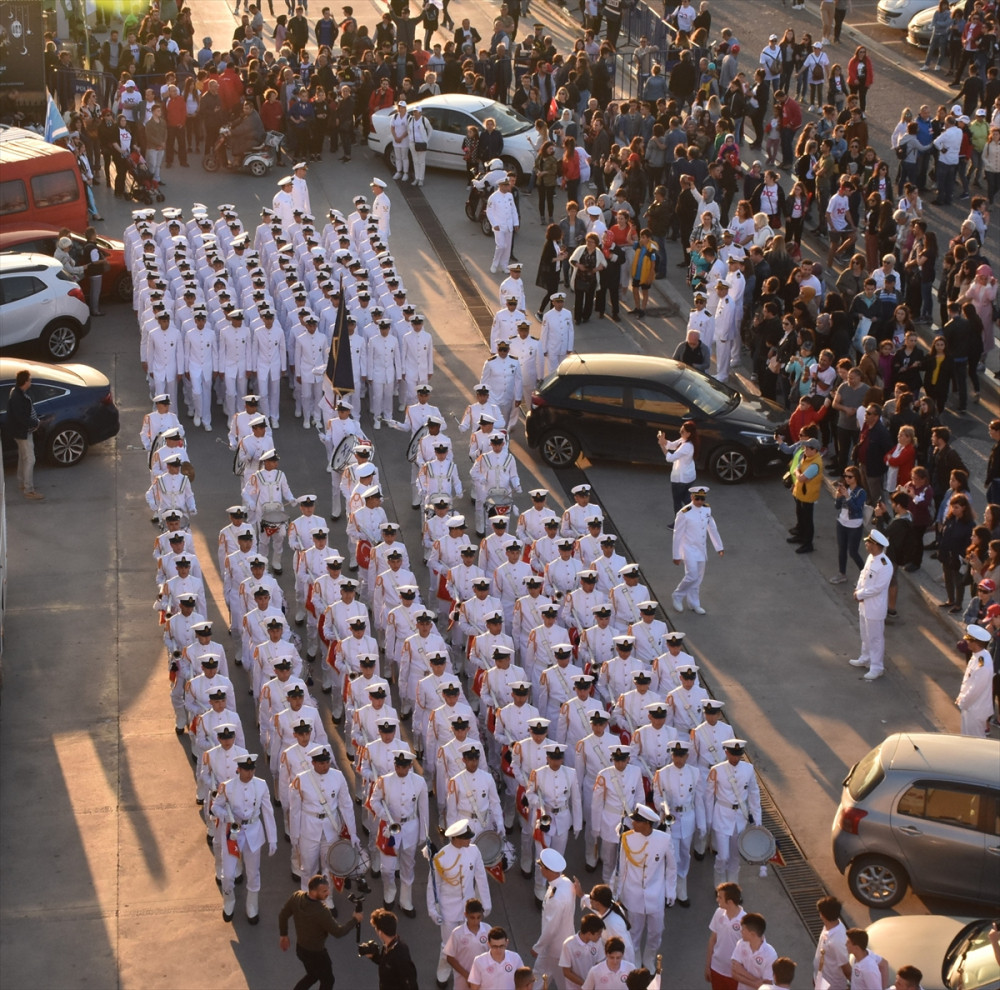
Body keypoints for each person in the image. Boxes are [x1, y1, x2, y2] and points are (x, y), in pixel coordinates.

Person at [612, 805, 676, 970]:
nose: (633, 823)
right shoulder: (627, 838)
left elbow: (671, 867)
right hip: (633, 895)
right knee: (634, 932)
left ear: (647, 824)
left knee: (656, 932)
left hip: (656, 894)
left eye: (637, 821)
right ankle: (635, 958)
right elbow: (621, 867)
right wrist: (616, 892)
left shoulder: (664, 839)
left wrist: (670, 891)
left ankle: (649, 957)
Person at [278, 875, 364, 990]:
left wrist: (284, 935)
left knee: (312, 975)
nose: (328, 893)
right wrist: (355, 920)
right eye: (324, 891)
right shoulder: (322, 912)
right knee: (328, 981)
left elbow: (283, 915)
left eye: (328, 889)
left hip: (301, 950)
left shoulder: (296, 897)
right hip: (317, 954)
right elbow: (338, 932)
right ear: (313, 892)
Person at [708, 738, 761, 886]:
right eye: (733, 754)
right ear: (726, 752)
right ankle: (720, 884)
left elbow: (754, 794)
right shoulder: (717, 770)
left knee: (735, 856)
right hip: (722, 815)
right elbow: (708, 797)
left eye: (738, 754)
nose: (735, 758)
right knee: (723, 856)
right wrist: (708, 819)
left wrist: (758, 820)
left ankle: (733, 886)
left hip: (740, 818)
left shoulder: (748, 769)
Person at [671, 485, 724, 615]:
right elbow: (677, 534)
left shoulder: (707, 509)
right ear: (692, 497)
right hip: (688, 548)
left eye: (702, 499)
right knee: (692, 575)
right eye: (697, 498)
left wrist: (719, 547)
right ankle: (677, 595)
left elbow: (712, 528)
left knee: (698, 578)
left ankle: (694, 603)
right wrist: (676, 555)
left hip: (701, 549)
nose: (700, 501)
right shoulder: (684, 513)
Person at [848, 531, 894, 681]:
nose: (866, 544)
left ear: (875, 545)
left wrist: (860, 594)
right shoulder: (871, 557)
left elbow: (878, 588)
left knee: (875, 638)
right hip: (864, 604)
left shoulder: (885, 565)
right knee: (865, 634)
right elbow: (863, 575)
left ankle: (877, 667)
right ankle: (865, 657)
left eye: (868, 542)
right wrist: (858, 589)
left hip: (875, 607)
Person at [532, 847, 577, 990]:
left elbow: (551, 928)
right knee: (558, 979)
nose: (540, 869)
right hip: (565, 941)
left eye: (541, 866)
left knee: (543, 976)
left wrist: (538, 947)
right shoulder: (566, 882)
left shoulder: (556, 898)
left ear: (548, 870)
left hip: (553, 947)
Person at [361, 908, 419, 990]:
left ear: (380, 932)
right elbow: (386, 963)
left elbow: (410, 982)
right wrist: (373, 957)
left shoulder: (400, 955)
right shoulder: (388, 945)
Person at [8, 369, 44, 500]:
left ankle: (22, 483)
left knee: (23, 457)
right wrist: (36, 422)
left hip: (19, 432)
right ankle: (29, 490)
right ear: (25, 382)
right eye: (30, 380)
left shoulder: (14, 392)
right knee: (30, 459)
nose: (31, 382)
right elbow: (21, 418)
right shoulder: (20, 398)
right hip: (23, 432)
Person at [705, 882, 746, 990]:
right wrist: (708, 966)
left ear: (730, 902)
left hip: (734, 974)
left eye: (720, 897)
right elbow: (712, 940)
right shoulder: (718, 912)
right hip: (716, 968)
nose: (717, 900)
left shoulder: (745, 921)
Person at [830, 467, 867, 585]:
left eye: (849, 477)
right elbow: (837, 507)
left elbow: (856, 509)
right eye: (845, 476)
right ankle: (842, 574)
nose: (846, 479)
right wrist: (838, 496)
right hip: (842, 522)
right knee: (842, 549)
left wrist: (847, 496)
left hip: (854, 525)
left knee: (853, 552)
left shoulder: (861, 492)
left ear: (856, 478)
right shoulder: (844, 489)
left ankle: (865, 577)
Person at [957, 624, 995, 737]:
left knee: (974, 741)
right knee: (966, 739)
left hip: (974, 710)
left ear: (976, 643)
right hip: (971, 707)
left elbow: (975, 690)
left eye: (969, 640)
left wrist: (962, 703)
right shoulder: (979, 656)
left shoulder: (983, 666)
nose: (966, 642)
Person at [658, 421, 698, 515]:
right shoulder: (685, 440)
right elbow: (672, 445)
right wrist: (664, 441)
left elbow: (670, 458)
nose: (680, 432)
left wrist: (662, 445)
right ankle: (695, 515)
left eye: (682, 431)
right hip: (689, 477)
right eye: (680, 430)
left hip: (680, 479)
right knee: (686, 499)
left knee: (677, 502)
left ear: (689, 433)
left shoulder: (686, 446)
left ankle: (679, 522)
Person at [468, 926, 525, 990]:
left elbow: (523, 983)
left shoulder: (515, 958)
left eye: (501, 946)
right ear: (488, 944)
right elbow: (474, 987)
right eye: (495, 946)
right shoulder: (479, 961)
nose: (498, 950)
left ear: (507, 943)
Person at [731, 914, 778, 990]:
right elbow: (734, 973)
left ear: (752, 934)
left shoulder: (771, 955)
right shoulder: (741, 944)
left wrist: (742, 972)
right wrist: (756, 981)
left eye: (743, 929)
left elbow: (766, 986)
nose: (741, 931)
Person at [813, 895, 850, 990]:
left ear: (822, 915)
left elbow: (845, 966)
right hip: (820, 978)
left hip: (831, 985)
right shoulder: (830, 925)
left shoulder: (837, 941)